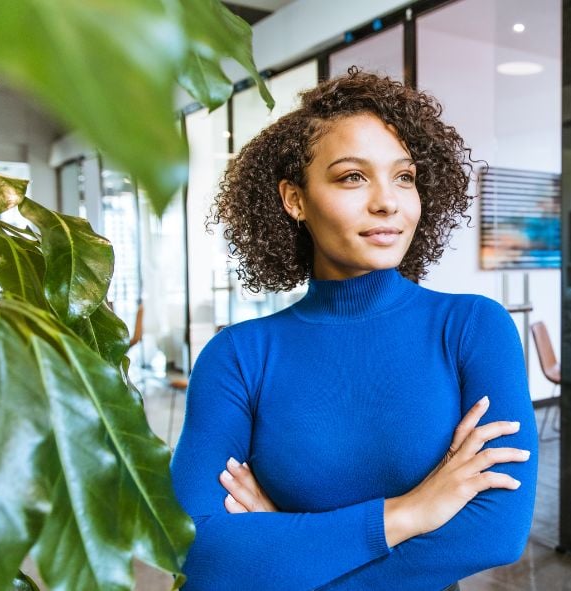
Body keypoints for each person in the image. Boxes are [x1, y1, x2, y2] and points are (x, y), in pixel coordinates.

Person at [169, 66, 538, 590]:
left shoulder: (472, 328)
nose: (387, 201)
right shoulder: (238, 356)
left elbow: (494, 534)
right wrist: (410, 513)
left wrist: (279, 543)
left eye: (404, 177)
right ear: (294, 199)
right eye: (352, 176)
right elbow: (195, 547)